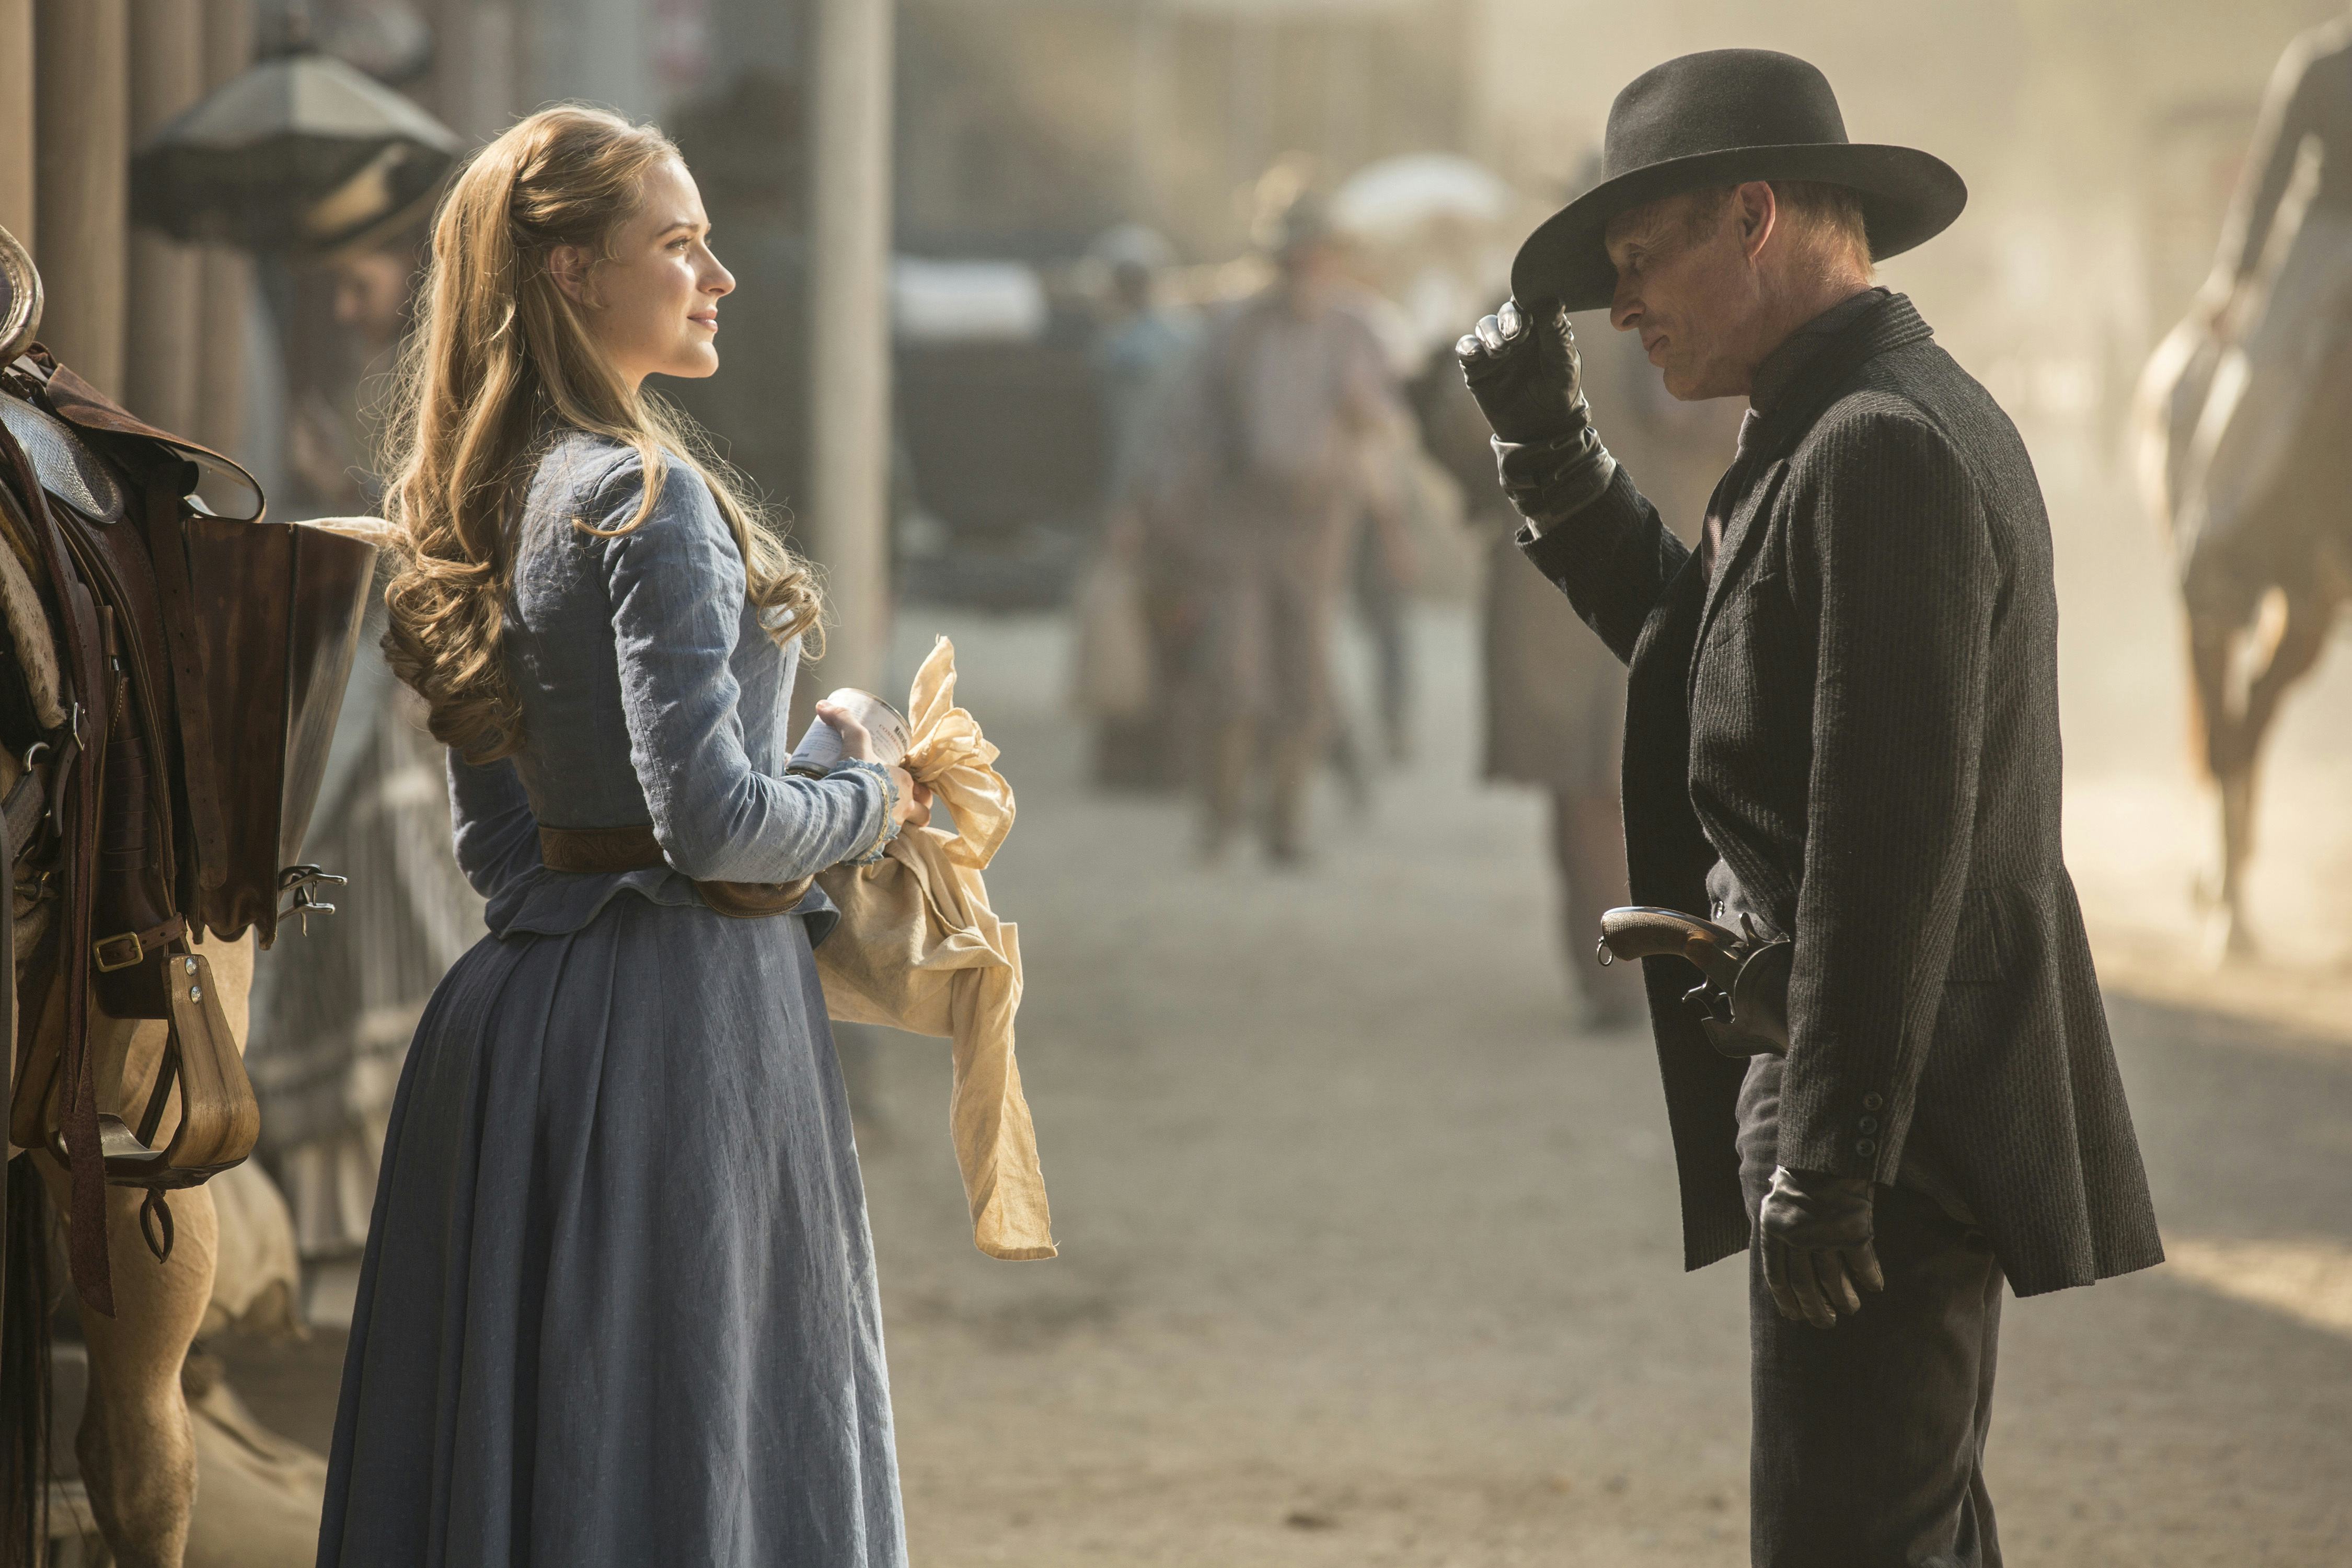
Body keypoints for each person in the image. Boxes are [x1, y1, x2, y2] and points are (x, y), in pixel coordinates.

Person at [1455, 50, 2161, 1565]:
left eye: (1637, 262)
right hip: (1875, 1081)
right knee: (1901, 1527)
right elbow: (1706, 656)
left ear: (1752, 218)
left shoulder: (1872, 446)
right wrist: (1549, 453)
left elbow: (1882, 847)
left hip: (1883, 1104)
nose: (1619, 309)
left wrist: (1832, 1156)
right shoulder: (1836, 419)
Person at [315, 107, 929, 1565]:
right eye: (679, 244)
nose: (718, 275)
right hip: (681, 1034)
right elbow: (712, 827)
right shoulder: (644, 498)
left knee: (557, 1450)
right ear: (573, 269)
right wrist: (872, 788)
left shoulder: (493, 491)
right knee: (689, 1442)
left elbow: (506, 853)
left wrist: (801, 782)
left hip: (520, 1023)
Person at [1166, 191, 1407, 863]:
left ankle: (1286, 826)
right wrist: (1180, 513)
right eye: (1295, 255)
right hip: (1241, 519)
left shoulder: (1355, 329)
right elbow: (1189, 427)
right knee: (1237, 673)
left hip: (1320, 522)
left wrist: (1391, 525)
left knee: (1305, 675)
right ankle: (1219, 822)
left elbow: (1383, 431)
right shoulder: (1235, 329)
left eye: (1317, 254)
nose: (1306, 267)